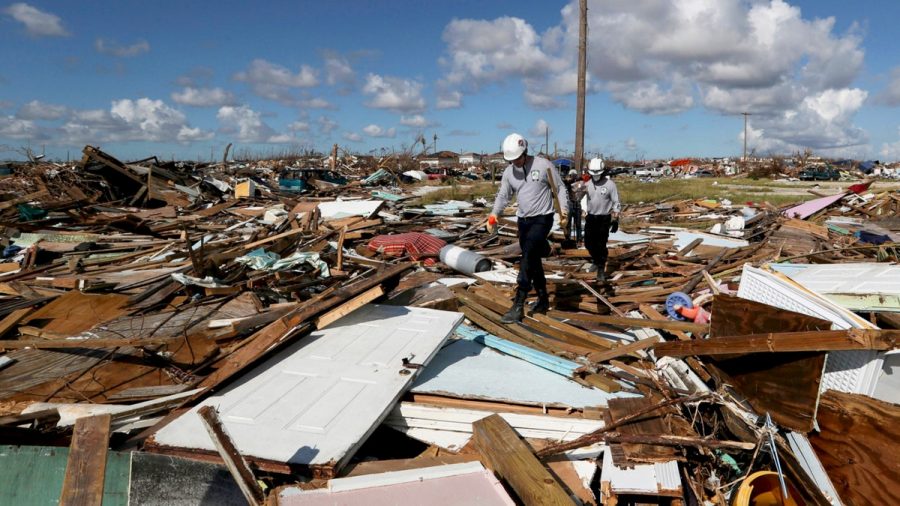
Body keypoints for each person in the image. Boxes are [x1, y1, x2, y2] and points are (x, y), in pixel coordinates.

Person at [487, 133, 568, 323]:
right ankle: (543, 299)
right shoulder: (509, 173)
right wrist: (494, 214)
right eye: (511, 160)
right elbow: (503, 196)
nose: (514, 162)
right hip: (523, 221)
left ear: (525, 152)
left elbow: (561, 188)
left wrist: (564, 211)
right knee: (532, 258)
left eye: (517, 158)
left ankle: (518, 303)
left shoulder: (543, 165)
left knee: (528, 255)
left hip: (543, 218)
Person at [584, 157, 620, 281]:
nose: (595, 176)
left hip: (604, 218)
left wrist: (615, 219)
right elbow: (577, 196)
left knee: (601, 244)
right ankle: (596, 259)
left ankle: (600, 268)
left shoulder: (610, 185)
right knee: (588, 243)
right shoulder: (587, 184)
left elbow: (616, 202)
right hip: (591, 218)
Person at [564, 168, 585, 244]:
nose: (573, 177)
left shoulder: (580, 183)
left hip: (577, 204)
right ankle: (567, 238)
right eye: (571, 175)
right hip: (570, 204)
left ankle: (579, 239)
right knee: (568, 223)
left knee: (578, 223)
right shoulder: (567, 183)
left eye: (574, 175)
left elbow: (583, 191)